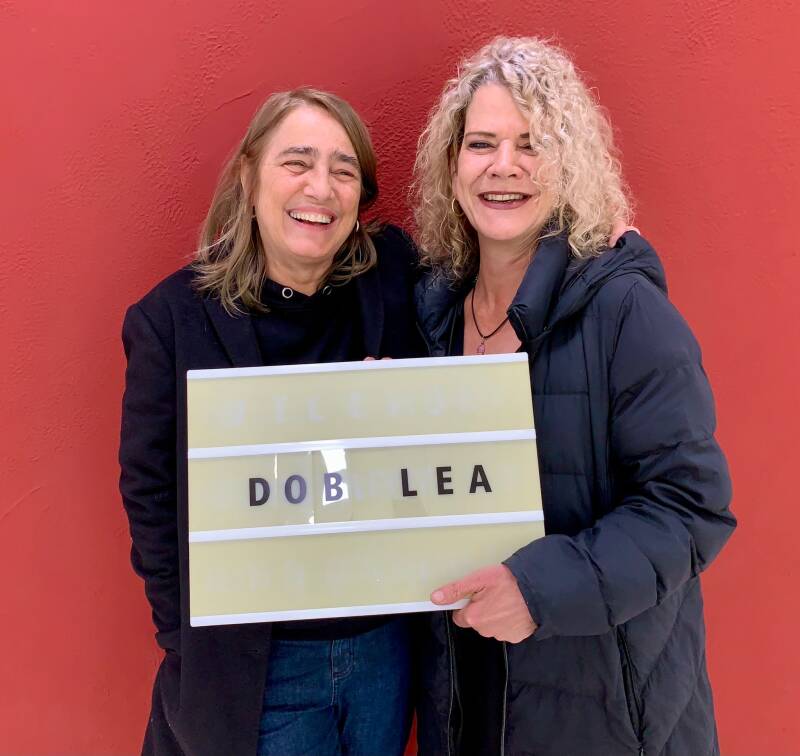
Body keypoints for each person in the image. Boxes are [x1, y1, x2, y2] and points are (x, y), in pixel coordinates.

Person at [412, 37, 735, 756]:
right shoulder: (432, 315)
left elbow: (691, 506)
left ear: (570, 163)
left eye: (532, 144)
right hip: (469, 699)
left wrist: (538, 591)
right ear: (451, 165)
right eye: (482, 144)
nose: (503, 165)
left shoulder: (625, 310)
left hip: (604, 716)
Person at [119, 88, 422, 756]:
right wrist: (188, 636)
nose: (321, 187)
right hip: (261, 664)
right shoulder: (172, 321)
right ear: (249, 174)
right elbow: (149, 490)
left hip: (383, 649)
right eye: (297, 162)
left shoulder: (393, 278)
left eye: (344, 170)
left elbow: (492, 274)